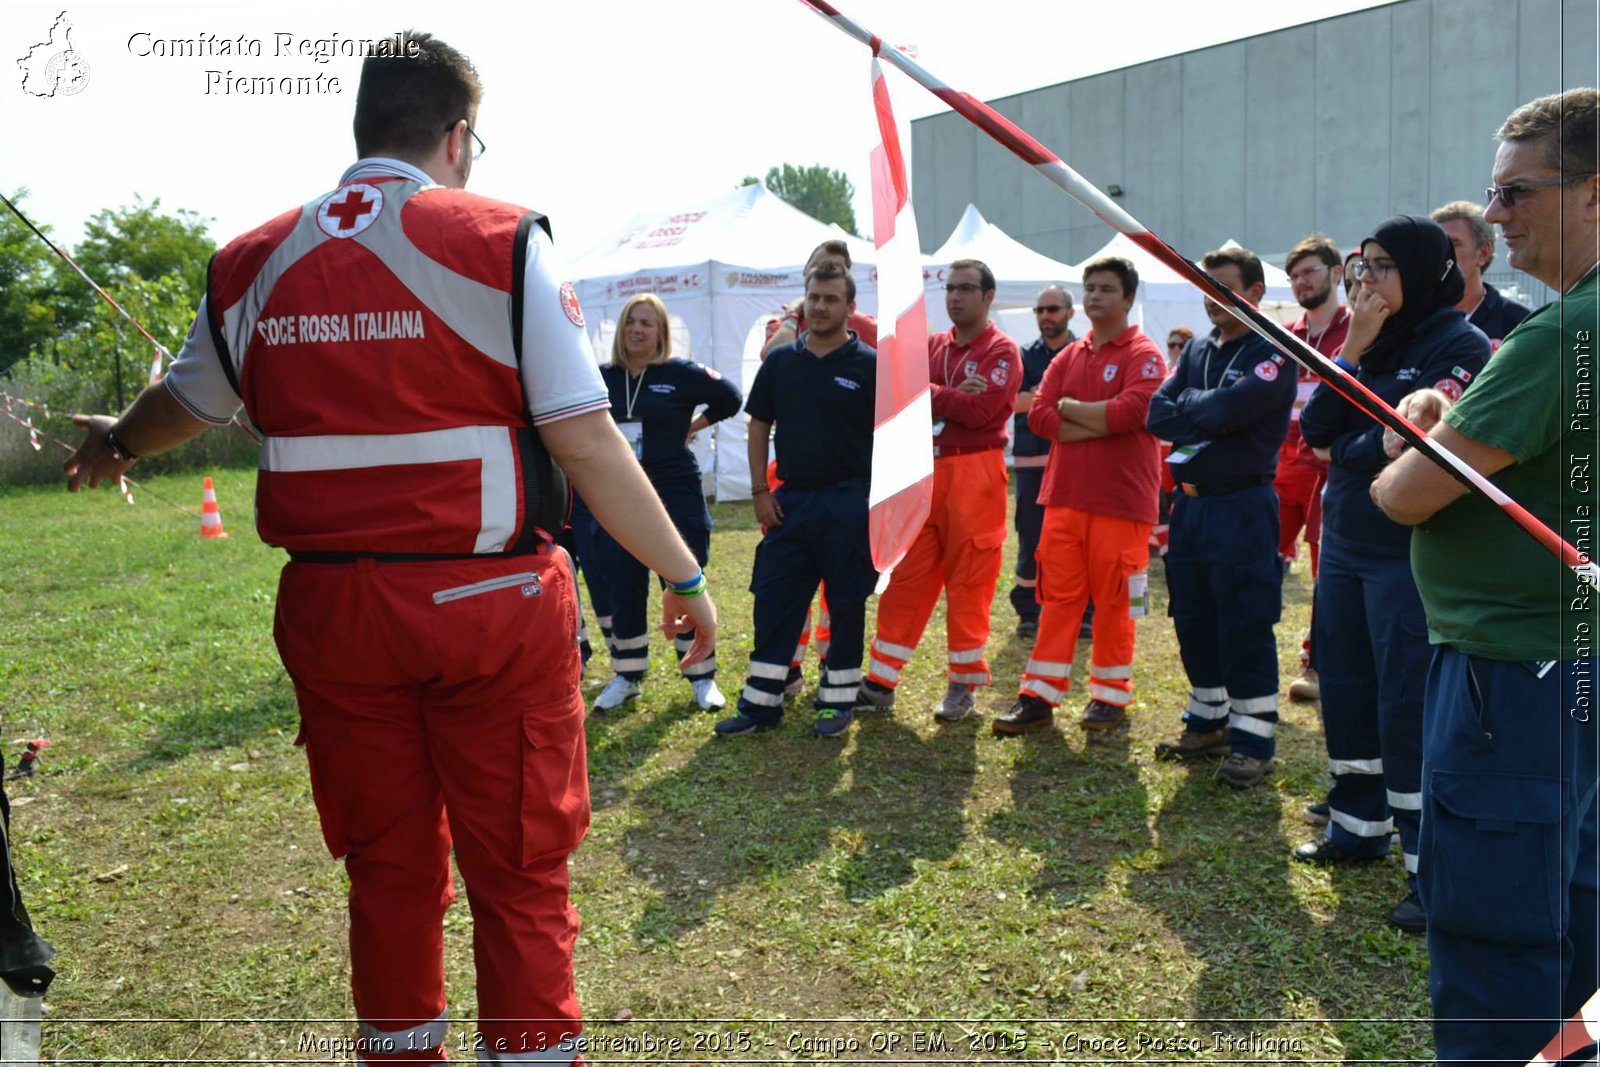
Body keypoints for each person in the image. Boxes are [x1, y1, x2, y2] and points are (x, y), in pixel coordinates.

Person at [62, 34, 717, 1063]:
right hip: (491, 606)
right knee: (519, 873)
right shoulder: (501, 239)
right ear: (457, 136)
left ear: (364, 129)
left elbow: (183, 402)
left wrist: (114, 442)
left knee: (388, 869)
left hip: (334, 619)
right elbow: (582, 436)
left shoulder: (250, 260)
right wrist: (683, 574)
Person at [1371, 87, 1599, 1067]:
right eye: (1491, 192)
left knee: (1498, 945)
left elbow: (1403, 494)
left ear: (1594, 194)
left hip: (1514, 681)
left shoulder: (1558, 338)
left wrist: (1413, 434)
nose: (1492, 216)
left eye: (1515, 192)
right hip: (1573, 675)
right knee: (1577, 933)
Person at [1297, 216, 1489, 935]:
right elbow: (1317, 432)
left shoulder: (1460, 346)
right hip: (1345, 540)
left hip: (1407, 550)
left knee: (1406, 700)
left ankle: (1427, 870)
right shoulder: (1366, 342)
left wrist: (1356, 448)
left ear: (1424, 270)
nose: (1365, 282)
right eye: (1361, 267)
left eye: (1382, 267)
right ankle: (1357, 827)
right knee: (1344, 683)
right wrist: (1349, 350)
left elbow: (1412, 447)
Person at [994, 257, 1165, 735]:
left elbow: (1133, 411)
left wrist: (1073, 413)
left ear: (1128, 299)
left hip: (1122, 503)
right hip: (1065, 499)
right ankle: (1039, 696)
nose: (1094, 297)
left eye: (1106, 289)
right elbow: (1038, 416)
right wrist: (1093, 421)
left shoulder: (1145, 353)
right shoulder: (1069, 356)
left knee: (1119, 602)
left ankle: (1110, 697)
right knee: (1058, 599)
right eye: (1089, 288)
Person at [1146, 247, 1296, 789]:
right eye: (1206, 288)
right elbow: (1155, 413)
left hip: (1242, 506)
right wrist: (1204, 408)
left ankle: (1252, 739)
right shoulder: (1199, 350)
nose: (1213, 300)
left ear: (1255, 292)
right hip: (1191, 504)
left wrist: (1198, 407)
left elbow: (1226, 411)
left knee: (1244, 619)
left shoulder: (1274, 350)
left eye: (1224, 288)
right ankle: (1206, 720)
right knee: (1192, 615)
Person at [856, 259, 1021, 722]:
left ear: (988, 296)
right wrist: (946, 392)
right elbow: (898, 376)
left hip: (976, 473)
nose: (955, 297)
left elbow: (981, 411)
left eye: (967, 288)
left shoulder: (1002, 351)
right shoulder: (932, 346)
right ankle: (880, 681)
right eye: (950, 288)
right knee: (906, 575)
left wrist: (925, 392)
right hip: (923, 471)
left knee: (970, 580)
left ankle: (962, 688)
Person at [718, 265, 879, 738]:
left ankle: (837, 702)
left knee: (846, 602)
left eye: (831, 299)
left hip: (850, 501)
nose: (821, 307)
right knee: (774, 598)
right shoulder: (781, 362)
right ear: (804, 303)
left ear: (850, 308)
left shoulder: (870, 365)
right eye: (814, 297)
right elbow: (758, 425)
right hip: (790, 501)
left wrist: (877, 502)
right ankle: (761, 703)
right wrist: (759, 491)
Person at [590, 293, 743, 712]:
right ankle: (627, 673)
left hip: (674, 487)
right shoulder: (600, 376)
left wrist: (694, 426)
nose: (637, 330)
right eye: (631, 322)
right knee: (623, 580)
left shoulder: (679, 373)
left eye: (647, 323)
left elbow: (730, 398)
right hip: (621, 491)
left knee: (682, 578)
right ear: (621, 329)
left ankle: (700, 677)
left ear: (661, 332)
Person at [1279, 235, 1350, 705]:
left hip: (1331, 470)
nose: (1302, 282)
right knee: (1259, 563)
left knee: (1329, 575)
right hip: (1283, 469)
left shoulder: (1359, 330)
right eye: (1295, 276)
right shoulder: (1283, 335)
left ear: (1337, 272)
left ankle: (1318, 663)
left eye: (1310, 271)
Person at [1009, 284, 1077, 640]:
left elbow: (1088, 399)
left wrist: (1038, 397)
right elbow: (1012, 401)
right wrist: (1060, 400)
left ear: (1070, 312)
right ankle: (1029, 610)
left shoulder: (1084, 352)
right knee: (1030, 534)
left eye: (1052, 309)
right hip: (1031, 460)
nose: (1045, 316)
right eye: (1040, 310)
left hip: (1075, 460)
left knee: (1077, 537)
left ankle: (1084, 611)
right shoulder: (1023, 355)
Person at [1430, 199, 1532, 346]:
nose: (1442, 253)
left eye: (1454, 244)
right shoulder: (1415, 318)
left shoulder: (1519, 323)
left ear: (1483, 253)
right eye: (1437, 244)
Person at [761, 240, 878, 357]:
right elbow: (772, 361)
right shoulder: (783, 322)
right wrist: (791, 318)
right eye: (815, 265)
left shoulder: (863, 324)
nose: (822, 272)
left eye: (833, 268)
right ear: (805, 269)